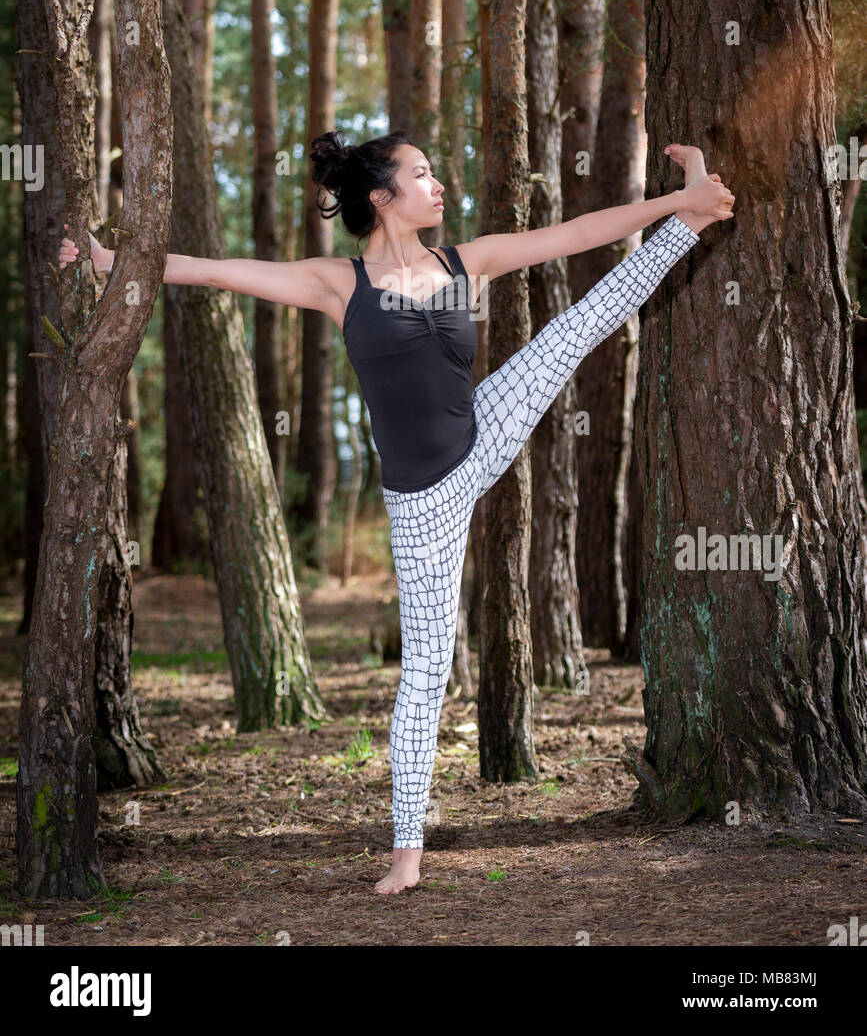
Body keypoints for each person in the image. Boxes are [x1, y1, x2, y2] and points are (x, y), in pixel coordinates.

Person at [59, 132, 735, 896]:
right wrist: (108, 260)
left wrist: (676, 201)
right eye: (420, 174)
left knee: (571, 331)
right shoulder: (338, 284)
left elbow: (575, 235)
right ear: (381, 196)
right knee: (423, 672)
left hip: (482, 428)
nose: (438, 184)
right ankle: (406, 853)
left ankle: (691, 223)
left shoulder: (460, 267)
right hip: (423, 501)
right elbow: (217, 272)